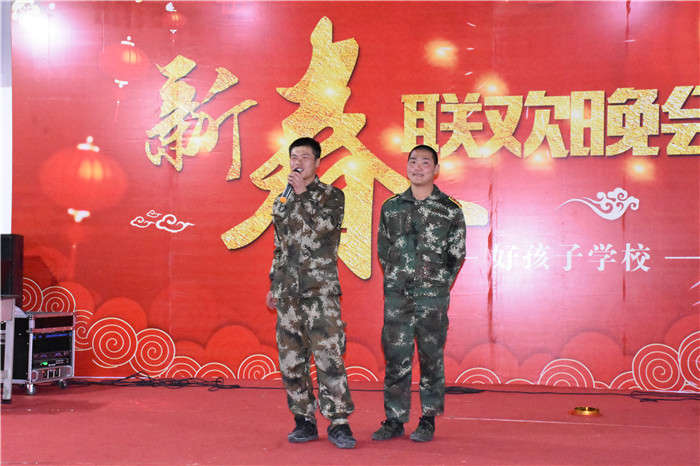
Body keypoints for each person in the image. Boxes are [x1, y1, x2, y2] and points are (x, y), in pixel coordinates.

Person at [372, 144, 466, 443]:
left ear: (436, 169)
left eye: (425, 162)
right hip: (398, 296)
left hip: (432, 298)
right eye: (413, 161)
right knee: (396, 357)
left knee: (431, 358)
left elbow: (457, 254)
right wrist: (397, 278)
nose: (418, 167)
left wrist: (437, 283)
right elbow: (384, 249)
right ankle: (394, 419)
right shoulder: (392, 207)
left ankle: (428, 420)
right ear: (407, 167)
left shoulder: (449, 209)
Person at [266, 137, 356, 449]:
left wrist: (303, 195)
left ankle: (339, 422)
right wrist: (274, 283)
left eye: (305, 157)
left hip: (320, 293)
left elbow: (325, 229)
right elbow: (279, 247)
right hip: (288, 293)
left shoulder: (332, 196)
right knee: (292, 360)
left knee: (328, 357)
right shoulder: (281, 200)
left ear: (317, 163)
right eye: (294, 156)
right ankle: (303, 419)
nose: (298, 162)